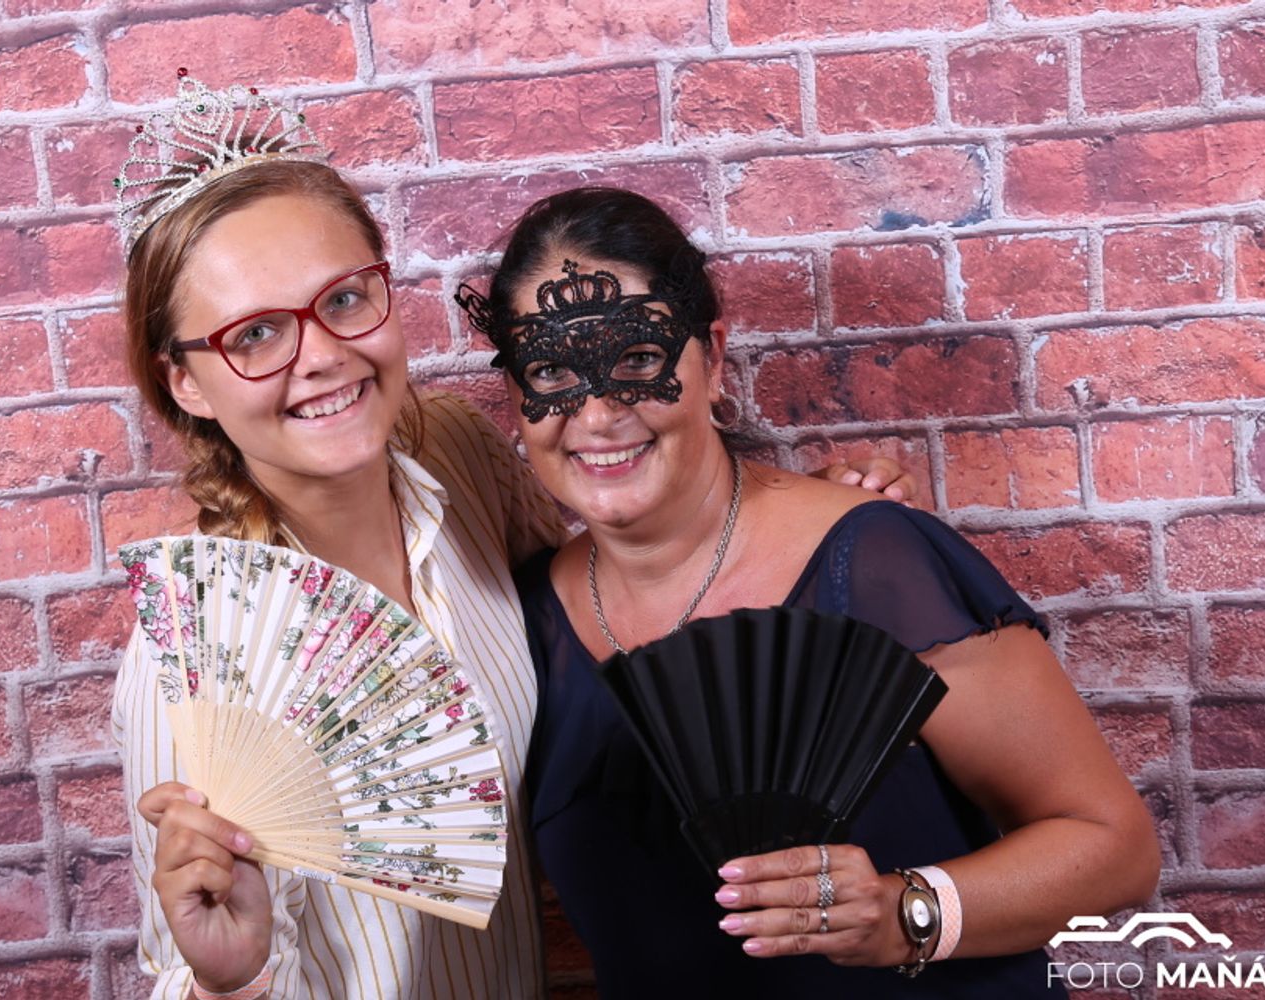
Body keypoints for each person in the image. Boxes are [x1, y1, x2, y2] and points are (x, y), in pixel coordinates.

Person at [109, 78, 913, 1000]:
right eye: (254, 335)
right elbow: (190, 953)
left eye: (343, 299)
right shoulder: (188, 663)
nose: (321, 355)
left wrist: (812, 528)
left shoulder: (453, 454)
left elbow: (602, 591)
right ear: (186, 383)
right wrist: (230, 978)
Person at [457, 186, 1162, 997]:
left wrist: (901, 913)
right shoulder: (522, 628)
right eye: (550, 369)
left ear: (712, 357)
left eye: (638, 360)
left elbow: (1115, 849)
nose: (596, 414)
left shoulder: (872, 562)